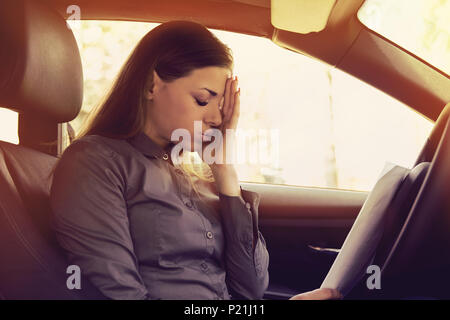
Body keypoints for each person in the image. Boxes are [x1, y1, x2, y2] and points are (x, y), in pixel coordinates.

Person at [49, 20, 269, 300]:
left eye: (221, 106)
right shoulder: (95, 163)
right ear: (152, 86)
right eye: (203, 99)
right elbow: (120, 295)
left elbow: (252, 290)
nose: (216, 119)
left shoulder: (194, 173)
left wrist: (224, 171)